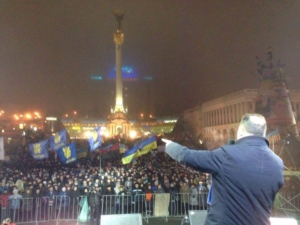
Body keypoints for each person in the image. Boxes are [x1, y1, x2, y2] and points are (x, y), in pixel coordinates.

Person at [161, 113, 284, 225]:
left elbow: (188, 157)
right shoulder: (277, 163)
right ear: (263, 132)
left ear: (240, 131)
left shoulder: (227, 154)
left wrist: (170, 146)